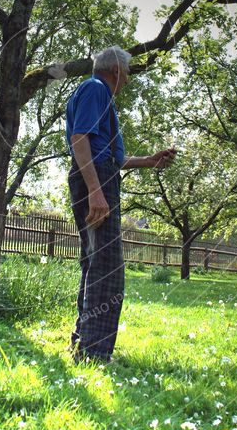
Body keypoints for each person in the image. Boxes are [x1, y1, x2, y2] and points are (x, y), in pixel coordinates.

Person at [66, 45, 176, 364]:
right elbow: (79, 139)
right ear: (117, 70)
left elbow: (108, 154)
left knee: (95, 263)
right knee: (108, 268)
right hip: (95, 179)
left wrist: (148, 161)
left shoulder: (98, 93)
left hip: (100, 175)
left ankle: (83, 343)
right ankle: (94, 351)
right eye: (127, 73)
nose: (127, 80)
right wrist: (95, 191)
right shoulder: (95, 88)